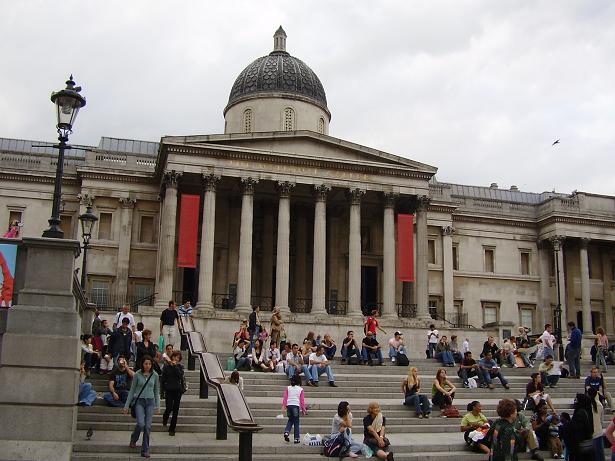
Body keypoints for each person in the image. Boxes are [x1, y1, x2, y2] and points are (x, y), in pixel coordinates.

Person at [124, 355, 160, 458]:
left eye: (149, 364)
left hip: (150, 401)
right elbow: (132, 390)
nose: (148, 366)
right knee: (140, 423)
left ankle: (145, 450)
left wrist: (158, 406)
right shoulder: (137, 374)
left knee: (148, 426)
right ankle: (134, 438)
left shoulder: (155, 375)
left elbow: (156, 391)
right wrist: (126, 405)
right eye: (146, 364)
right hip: (139, 401)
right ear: (142, 364)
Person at [161, 350, 184, 436]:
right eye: (174, 357)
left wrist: (175, 366)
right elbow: (163, 379)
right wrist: (162, 391)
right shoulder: (166, 367)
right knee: (169, 407)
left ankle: (172, 429)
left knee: (175, 410)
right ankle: (165, 417)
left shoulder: (180, 367)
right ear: (171, 357)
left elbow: (180, 376)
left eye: (178, 357)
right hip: (169, 390)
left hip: (178, 390)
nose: (176, 359)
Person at [282, 375, 307, 444]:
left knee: (290, 420)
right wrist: (304, 409)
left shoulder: (288, 388)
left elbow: (285, 398)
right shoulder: (300, 389)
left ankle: (286, 432)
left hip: (289, 406)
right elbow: (302, 401)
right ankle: (296, 438)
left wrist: (284, 406)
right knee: (296, 422)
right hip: (296, 406)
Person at [587, 387, 604, 461]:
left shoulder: (586, 405)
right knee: (599, 456)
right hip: (598, 432)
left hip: (590, 434)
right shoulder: (600, 405)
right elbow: (601, 420)